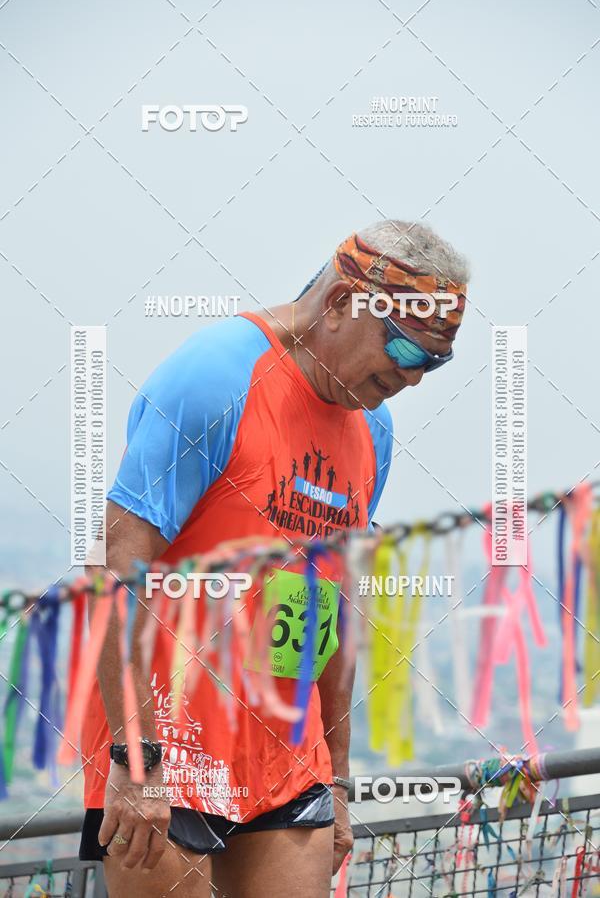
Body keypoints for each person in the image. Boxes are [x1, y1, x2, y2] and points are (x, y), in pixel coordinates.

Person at [79, 219, 469, 897]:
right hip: (170, 740)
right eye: (405, 346)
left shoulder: (372, 423)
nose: (411, 377)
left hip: (287, 752)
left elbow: (337, 601)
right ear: (346, 303)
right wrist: (135, 761)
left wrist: (338, 776)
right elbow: (118, 570)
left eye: (434, 361)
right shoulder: (218, 374)